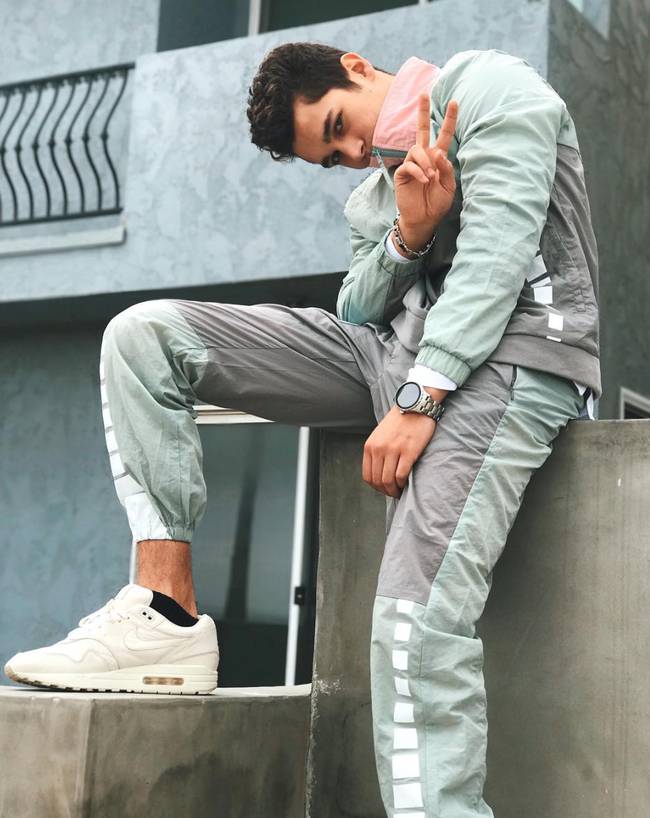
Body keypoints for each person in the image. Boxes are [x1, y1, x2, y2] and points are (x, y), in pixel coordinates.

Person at [5, 42, 600, 817]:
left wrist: (420, 399)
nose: (352, 153)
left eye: (339, 128)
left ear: (355, 67)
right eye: (333, 156)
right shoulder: (375, 197)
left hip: (516, 354)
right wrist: (410, 235)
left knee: (410, 623)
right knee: (143, 335)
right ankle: (165, 610)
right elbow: (357, 306)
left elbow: (498, 254)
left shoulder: (490, 90)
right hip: (387, 358)